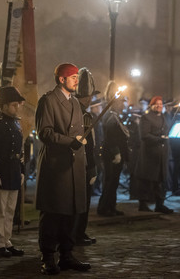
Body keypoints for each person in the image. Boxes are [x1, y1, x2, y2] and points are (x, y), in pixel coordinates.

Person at [35, 63, 91, 275]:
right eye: (73, 77)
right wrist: (70, 141)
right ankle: (48, 256)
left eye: (77, 76)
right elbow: (45, 133)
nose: (77, 80)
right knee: (53, 213)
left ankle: (67, 255)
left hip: (74, 165)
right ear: (61, 79)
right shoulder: (48, 101)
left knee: (71, 213)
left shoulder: (75, 103)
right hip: (56, 166)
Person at [0, 86, 26, 258]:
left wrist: (22, 170)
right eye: (13, 105)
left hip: (14, 171)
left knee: (10, 210)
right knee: (0, 210)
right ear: (3, 106)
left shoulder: (16, 124)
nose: (16, 108)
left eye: (17, 105)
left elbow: (20, 150)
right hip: (1, 172)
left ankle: (7, 240)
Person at [135, 96, 173, 214]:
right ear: (152, 106)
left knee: (160, 180)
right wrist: (159, 139)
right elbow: (144, 135)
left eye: (161, 104)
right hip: (150, 154)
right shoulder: (146, 118)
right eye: (157, 104)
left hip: (162, 154)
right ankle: (143, 204)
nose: (159, 106)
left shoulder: (163, 117)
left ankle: (160, 204)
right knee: (147, 180)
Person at [97, 81, 130, 217]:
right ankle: (104, 208)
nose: (123, 105)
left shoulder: (113, 114)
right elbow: (110, 136)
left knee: (114, 182)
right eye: (121, 101)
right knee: (110, 182)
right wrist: (116, 152)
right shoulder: (110, 114)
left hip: (115, 152)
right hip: (111, 153)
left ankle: (111, 206)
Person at [73, 68, 98, 246]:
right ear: (88, 96)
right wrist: (92, 167)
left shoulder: (78, 111)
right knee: (81, 202)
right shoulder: (81, 114)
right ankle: (77, 233)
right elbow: (87, 145)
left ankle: (79, 232)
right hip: (82, 165)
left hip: (79, 164)